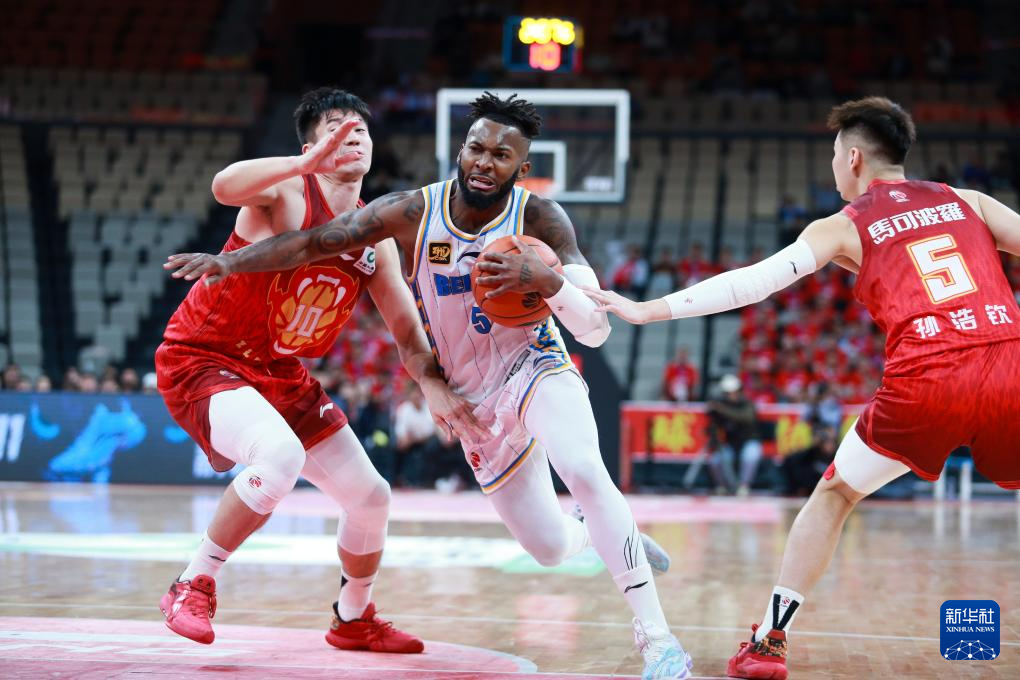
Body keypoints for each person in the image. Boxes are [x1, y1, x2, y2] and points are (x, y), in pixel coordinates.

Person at [165, 92, 693, 680]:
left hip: (532, 365)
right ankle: (595, 535)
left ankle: (657, 640)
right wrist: (230, 261)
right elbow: (285, 224)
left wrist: (549, 284)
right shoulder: (399, 211)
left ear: (522, 167)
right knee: (548, 547)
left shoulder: (540, 219)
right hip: (456, 397)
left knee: (578, 471)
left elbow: (591, 330)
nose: (484, 161)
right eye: (476, 148)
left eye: (501, 154)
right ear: (459, 150)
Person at [584, 96, 1020, 679]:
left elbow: (751, 284)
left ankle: (769, 641)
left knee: (835, 496)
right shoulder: (968, 200)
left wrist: (647, 310)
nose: (834, 166)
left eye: (835, 154)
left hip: (929, 374)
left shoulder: (844, 224)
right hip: (1010, 362)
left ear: (854, 157)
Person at [154, 87, 483, 653]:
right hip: (205, 356)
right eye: (336, 129)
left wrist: (432, 385)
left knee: (372, 497)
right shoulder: (285, 191)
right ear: (311, 147)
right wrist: (302, 164)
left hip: (280, 372)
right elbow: (223, 186)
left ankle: (352, 617)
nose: (352, 136)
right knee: (278, 457)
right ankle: (191, 582)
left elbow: (407, 333)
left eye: (361, 129)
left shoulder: (375, 239)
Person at [705, 374, 762, 497]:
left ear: (739, 391)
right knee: (715, 460)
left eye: (734, 392)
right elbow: (713, 426)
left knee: (751, 456)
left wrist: (722, 409)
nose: (731, 395)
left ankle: (744, 486)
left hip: (748, 441)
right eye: (728, 393)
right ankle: (722, 487)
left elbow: (746, 417)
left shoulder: (746, 403)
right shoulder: (720, 405)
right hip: (730, 443)